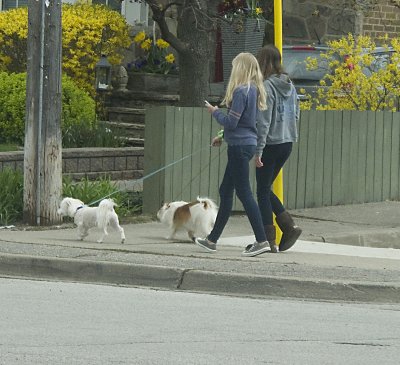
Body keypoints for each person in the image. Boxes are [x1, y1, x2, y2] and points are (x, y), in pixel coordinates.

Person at [196, 52, 276, 257]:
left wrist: (214, 111)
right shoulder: (256, 90)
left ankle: (261, 240)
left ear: (241, 68)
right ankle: (212, 240)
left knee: (244, 193)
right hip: (245, 144)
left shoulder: (241, 91)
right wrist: (222, 136)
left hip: (239, 148)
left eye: (234, 67)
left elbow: (232, 122)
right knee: (225, 190)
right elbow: (243, 123)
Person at [253, 44, 302, 252]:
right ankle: (287, 227)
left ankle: (269, 239)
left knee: (262, 192)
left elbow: (264, 122)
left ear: (262, 63)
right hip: (287, 142)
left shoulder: (266, 87)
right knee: (265, 189)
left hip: (271, 144)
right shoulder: (290, 85)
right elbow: (297, 113)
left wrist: (258, 150)